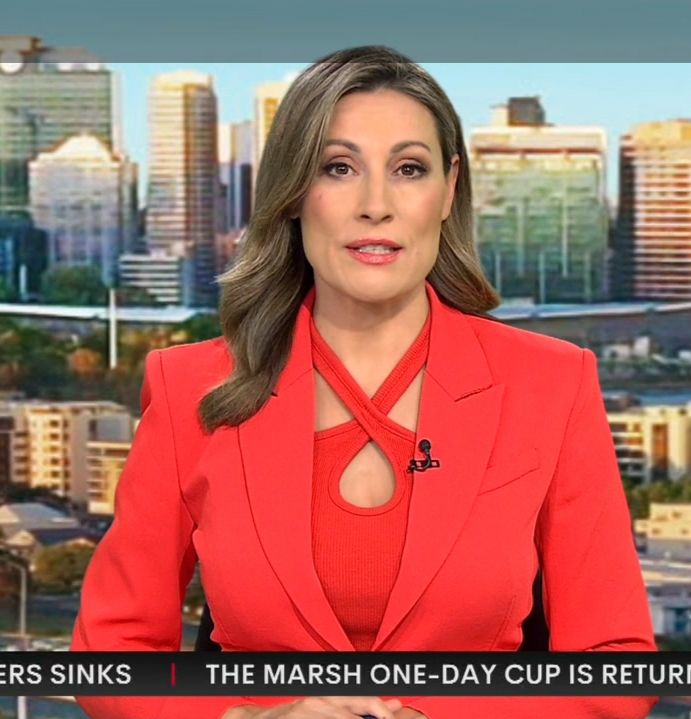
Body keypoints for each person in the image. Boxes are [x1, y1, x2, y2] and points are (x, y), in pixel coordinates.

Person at [70, 46, 659, 719]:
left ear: (448, 191)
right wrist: (245, 718)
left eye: (409, 169)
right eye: (338, 168)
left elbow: (616, 667)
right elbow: (111, 654)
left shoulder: (551, 383)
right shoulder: (189, 387)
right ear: (293, 193)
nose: (375, 205)